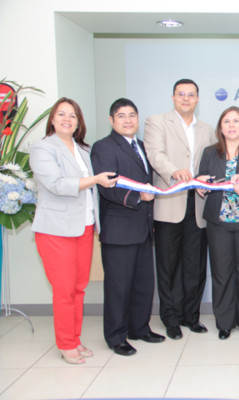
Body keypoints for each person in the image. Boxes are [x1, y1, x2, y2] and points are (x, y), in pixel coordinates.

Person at [29, 98, 118, 364]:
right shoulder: (42, 148)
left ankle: (75, 339)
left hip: (84, 227)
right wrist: (95, 179)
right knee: (64, 288)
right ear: (53, 119)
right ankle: (66, 343)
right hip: (56, 230)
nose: (67, 119)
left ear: (79, 122)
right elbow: (57, 184)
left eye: (73, 116)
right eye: (62, 114)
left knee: (79, 288)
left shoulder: (83, 150)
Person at [91, 98, 165, 356]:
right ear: (111, 120)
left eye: (132, 115)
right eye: (121, 116)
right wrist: (136, 198)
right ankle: (116, 336)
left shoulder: (142, 146)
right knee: (118, 287)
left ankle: (139, 328)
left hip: (143, 227)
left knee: (143, 283)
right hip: (119, 228)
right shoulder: (103, 147)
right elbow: (106, 185)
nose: (128, 120)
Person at [144, 79, 216, 340]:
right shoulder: (157, 122)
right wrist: (174, 171)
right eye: (181, 94)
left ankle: (191, 316)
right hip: (169, 204)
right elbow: (154, 154)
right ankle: (171, 318)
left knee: (195, 266)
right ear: (173, 97)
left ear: (198, 99)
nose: (186, 98)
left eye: (191, 95)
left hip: (197, 206)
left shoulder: (208, 129)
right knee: (168, 266)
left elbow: (211, 162)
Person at [196, 106, 239, 340]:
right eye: (227, 121)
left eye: (236, 121)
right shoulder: (209, 152)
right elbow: (202, 182)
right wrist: (201, 182)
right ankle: (224, 322)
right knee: (221, 273)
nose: (232, 125)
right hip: (219, 221)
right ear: (220, 127)